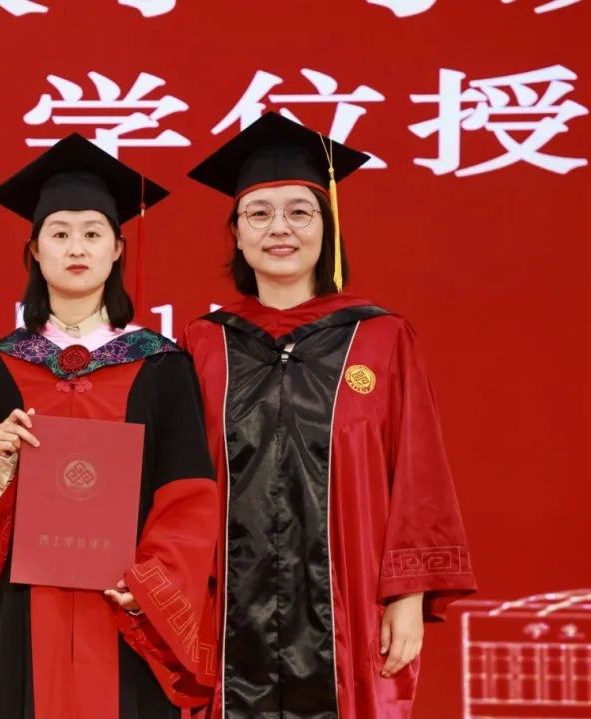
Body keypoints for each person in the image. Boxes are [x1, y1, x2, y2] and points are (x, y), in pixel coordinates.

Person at [181, 112, 477, 717]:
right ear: (236, 234)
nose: (279, 228)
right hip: (227, 611)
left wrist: (408, 597)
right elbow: (179, 479)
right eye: (258, 214)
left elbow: (417, 470)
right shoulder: (204, 344)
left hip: (350, 609)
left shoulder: (381, 337)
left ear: (327, 227)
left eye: (300, 212)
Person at [0, 134, 219, 719]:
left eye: (92, 234)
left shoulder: (162, 369)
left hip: (124, 606)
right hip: (23, 612)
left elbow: (189, 495)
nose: (76, 248)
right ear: (34, 250)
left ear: (117, 249)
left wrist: (151, 584)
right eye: (59, 234)